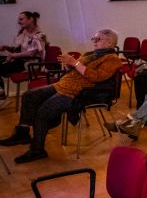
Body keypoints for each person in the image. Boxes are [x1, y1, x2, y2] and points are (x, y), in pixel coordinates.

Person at [1, 29, 122, 163]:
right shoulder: (91, 54)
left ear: (110, 43)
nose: (94, 42)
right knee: (29, 95)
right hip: (64, 84)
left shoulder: (113, 59)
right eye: (94, 39)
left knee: (42, 111)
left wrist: (75, 63)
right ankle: (23, 131)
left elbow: (97, 77)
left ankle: (37, 149)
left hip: (78, 92)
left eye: (98, 39)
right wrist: (68, 65)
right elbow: (77, 69)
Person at [0, 11, 46, 100]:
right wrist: (6, 48)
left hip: (30, 64)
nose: (18, 21)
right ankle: (1, 93)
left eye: (21, 19)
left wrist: (14, 55)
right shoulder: (23, 32)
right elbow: (17, 49)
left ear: (31, 19)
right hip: (20, 60)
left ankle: (1, 96)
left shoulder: (40, 35)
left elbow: (31, 53)